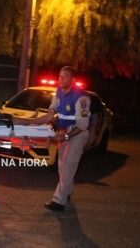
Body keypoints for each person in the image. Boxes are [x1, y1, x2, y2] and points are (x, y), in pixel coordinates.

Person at [40, 66, 91, 212]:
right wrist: (50, 114)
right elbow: (54, 106)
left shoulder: (81, 98)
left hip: (77, 133)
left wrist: (66, 136)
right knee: (62, 165)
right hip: (64, 132)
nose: (61, 79)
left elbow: (83, 124)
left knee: (68, 166)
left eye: (65, 77)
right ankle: (67, 192)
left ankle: (58, 202)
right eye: (60, 76)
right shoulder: (59, 90)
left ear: (73, 80)